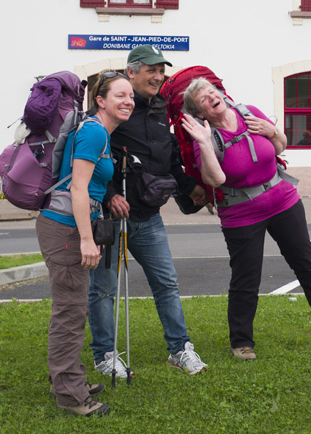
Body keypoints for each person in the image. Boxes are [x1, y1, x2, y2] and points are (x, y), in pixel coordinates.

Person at [180, 77, 311, 360]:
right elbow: (215, 179)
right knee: (246, 277)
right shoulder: (204, 137)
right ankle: (241, 341)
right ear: (200, 112)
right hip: (241, 213)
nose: (211, 96)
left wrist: (273, 131)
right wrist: (203, 143)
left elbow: (279, 147)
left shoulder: (248, 112)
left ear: (222, 94)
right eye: (203, 98)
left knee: (305, 261)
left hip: (284, 199)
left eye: (212, 91)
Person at [88, 45, 208, 379]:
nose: (158, 77)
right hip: (112, 217)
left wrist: (189, 186)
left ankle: (180, 349)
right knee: (102, 289)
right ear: (131, 71)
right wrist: (110, 194)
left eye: (161, 72)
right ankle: (105, 355)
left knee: (166, 283)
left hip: (149, 216)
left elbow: (168, 157)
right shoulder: (115, 109)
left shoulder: (159, 110)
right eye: (151, 71)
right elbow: (95, 154)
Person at [36, 70, 133, 417]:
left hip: (68, 226)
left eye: (131, 96)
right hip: (66, 230)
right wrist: (87, 240)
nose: (128, 101)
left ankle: (67, 378)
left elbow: (88, 187)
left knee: (71, 309)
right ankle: (71, 395)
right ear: (101, 101)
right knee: (71, 312)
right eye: (120, 95)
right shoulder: (93, 131)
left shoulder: (99, 133)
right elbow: (77, 188)